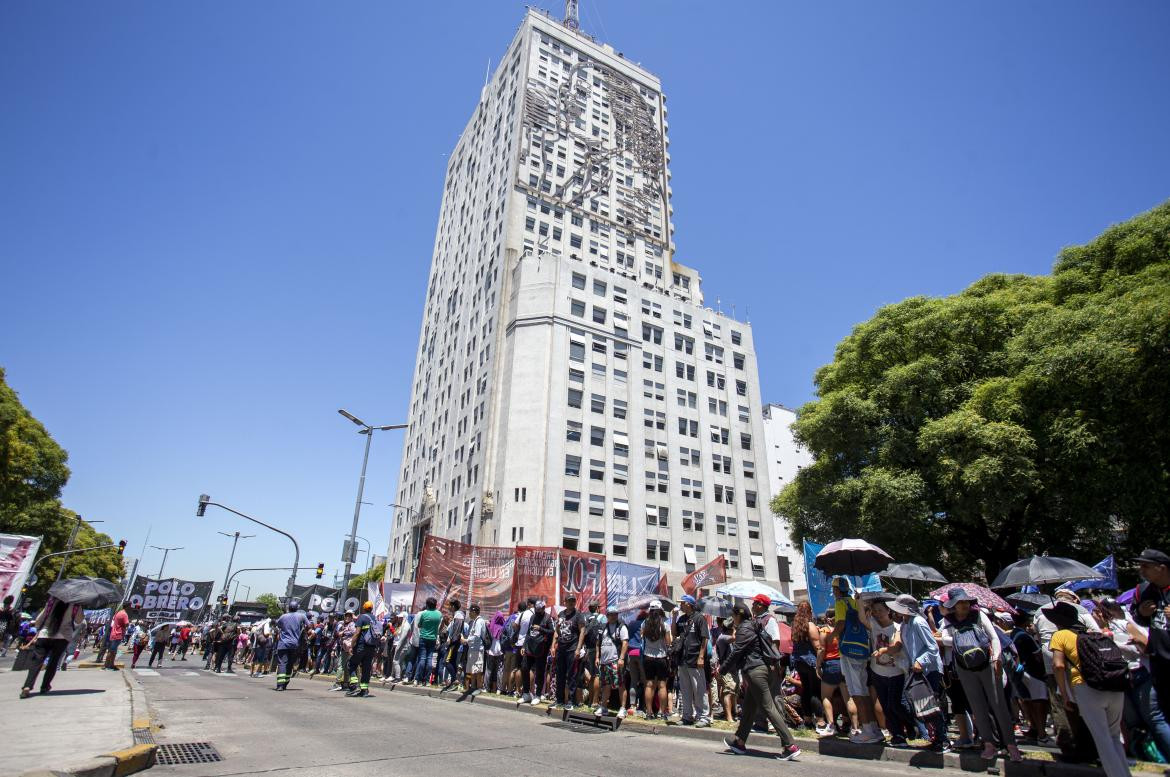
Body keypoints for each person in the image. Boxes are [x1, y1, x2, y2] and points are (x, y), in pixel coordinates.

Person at [1048, 600, 1131, 777]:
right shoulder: (1091, 633)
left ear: (1057, 621)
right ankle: (1124, 774)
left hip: (1087, 687)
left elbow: (1058, 665)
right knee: (1115, 737)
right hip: (1114, 684)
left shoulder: (1060, 635)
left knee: (1102, 739)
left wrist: (1064, 694)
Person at [938, 588, 1022, 762]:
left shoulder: (978, 615)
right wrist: (962, 639)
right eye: (960, 603)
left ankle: (1011, 745)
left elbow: (994, 637)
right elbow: (945, 639)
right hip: (965, 666)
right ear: (953, 605)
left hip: (987, 663)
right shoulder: (949, 620)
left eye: (966, 602)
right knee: (978, 707)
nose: (964, 605)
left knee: (998, 704)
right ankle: (989, 743)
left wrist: (996, 656)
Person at [720, 603, 801, 760]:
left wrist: (722, 669)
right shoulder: (754, 625)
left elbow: (737, 651)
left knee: (768, 707)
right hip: (761, 669)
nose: (732, 620)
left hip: (755, 671)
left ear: (738, 616)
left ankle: (789, 745)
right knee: (749, 708)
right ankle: (739, 741)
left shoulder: (744, 628)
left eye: (733, 616)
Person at [825, 579, 881, 744]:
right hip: (862, 649)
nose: (833, 591)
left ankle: (868, 730)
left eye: (834, 588)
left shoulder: (841, 603)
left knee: (857, 692)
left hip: (849, 650)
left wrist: (830, 636)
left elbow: (841, 624)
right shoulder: (856, 601)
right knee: (862, 690)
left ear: (837, 589)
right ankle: (872, 727)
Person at [861, 597, 913, 747]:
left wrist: (884, 650)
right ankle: (897, 736)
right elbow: (862, 617)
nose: (877, 613)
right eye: (875, 611)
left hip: (896, 672)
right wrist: (860, 600)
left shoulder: (898, 627)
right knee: (886, 705)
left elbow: (897, 647)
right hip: (878, 672)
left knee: (896, 705)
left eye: (880, 610)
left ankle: (913, 724)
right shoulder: (873, 625)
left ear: (888, 610)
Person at [20, 597, 85, 698]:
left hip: (45, 635)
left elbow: (39, 619)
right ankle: (45, 686)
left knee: (36, 662)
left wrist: (39, 629)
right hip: (62, 637)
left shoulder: (51, 602)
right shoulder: (76, 605)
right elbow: (79, 620)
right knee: (53, 662)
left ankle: (27, 686)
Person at [1009, 611, 1052, 744]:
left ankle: (1033, 729)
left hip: (1020, 672)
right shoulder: (1025, 637)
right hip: (1033, 672)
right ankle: (1042, 733)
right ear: (1026, 622)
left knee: (1027, 701)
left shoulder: (1013, 634)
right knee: (1039, 703)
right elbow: (1038, 655)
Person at [669, 594, 710, 726]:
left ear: (688, 604)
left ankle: (703, 716)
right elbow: (674, 633)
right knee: (685, 689)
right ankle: (687, 716)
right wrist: (674, 617)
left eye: (682, 603)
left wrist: (701, 656)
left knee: (699, 688)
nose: (680, 605)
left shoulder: (699, 618)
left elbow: (705, 638)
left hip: (695, 658)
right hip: (682, 658)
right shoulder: (681, 618)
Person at [789, 600, 827, 731]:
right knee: (815, 691)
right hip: (811, 661)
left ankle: (807, 719)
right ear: (809, 611)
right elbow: (817, 645)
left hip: (799, 662)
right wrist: (820, 661)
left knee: (806, 690)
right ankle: (821, 721)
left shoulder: (795, 626)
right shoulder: (810, 625)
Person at [550, 594, 587, 710]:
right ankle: (559, 700)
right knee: (559, 674)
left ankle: (571, 701)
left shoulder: (578, 615)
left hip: (572, 648)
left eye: (573, 601)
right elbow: (557, 631)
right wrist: (552, 646)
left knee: (571, 675)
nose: (571, 603)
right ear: (564, 602)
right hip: (561, 648)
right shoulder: (561, 614)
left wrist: (578, 648)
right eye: (569, 601)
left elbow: (582, 632)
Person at [593, 606, 629, 718]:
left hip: (615, 660)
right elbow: (598, 643)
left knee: (620, 684)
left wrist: (622, 658)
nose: (613, 616)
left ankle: (623, 708)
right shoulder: (603, 627)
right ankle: (604, 707)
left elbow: (625, 643)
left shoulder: (621, 627)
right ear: (607, 615)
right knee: (605, 685)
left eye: (615, 614)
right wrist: (597, 657)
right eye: (611, 614)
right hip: (604, 662)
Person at [640, 600, 672, 719]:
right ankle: (661, 712)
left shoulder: (645, 623)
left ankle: (649, 712)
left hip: (648, 656)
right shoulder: (664, 624)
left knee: (649, 684)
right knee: (662, 685)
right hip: (661, 657)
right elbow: (668, 642)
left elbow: (641, 636)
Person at [520, 600, 553, 704]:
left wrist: (541, 628)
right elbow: (528, 633)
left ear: (544, 608)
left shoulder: (548, 618)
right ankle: (526, 694)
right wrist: (524, 646)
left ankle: (538, 695)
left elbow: (552, 632)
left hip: (541, 649)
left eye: (540, 609)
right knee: (524, 668)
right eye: (536, 609)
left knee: (539, 672)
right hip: (530, 647)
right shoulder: (532, 617)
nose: (538, 611)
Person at [345, 602, 378, 697]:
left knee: (351, 664)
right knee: (366, 669)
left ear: (364, 608)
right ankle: (364, 690)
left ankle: (353, 685)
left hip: (361, 646)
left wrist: (351, 646)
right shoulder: (374, 618)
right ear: (371, 609)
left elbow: (357, 633)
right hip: (371, 647)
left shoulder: (362, 617)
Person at [274, 600, 308, 690]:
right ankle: (285, 683)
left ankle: (280, 685)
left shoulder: (283, 616)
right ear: (297, 608)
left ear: (289, 607)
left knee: (282, 663)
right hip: (294, 644)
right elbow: (309, 626)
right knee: (290, 664)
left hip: (283, 644)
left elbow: (277, 625)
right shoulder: (302, 616)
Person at [410, 597, 442, 685]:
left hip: (423, 638)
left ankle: (417, 679)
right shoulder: (439, 614)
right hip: (433, 638)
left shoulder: (424, 614)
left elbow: (419, 625)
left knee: (422, 659)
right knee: (430, 659)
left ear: (427, 605)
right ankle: (427, 680)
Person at [460, 603, 489, 698]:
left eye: (470, 611)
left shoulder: (479, 621)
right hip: (473, 649)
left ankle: (479, 688)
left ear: (474, 612)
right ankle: (473, 687)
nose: (469, 614)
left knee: (478, 669)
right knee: (472, 669)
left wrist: (466, 640)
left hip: (477, 649)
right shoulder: (475, 621)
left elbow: (477, 635)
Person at [104, 605, 130, 670]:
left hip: (113, 633)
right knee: (112, 650)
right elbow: (127, 624)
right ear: (128, 607)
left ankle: (111, 665)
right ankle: (107, 665)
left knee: (113, 650)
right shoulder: (124, 614)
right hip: (118, 634)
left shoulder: (118, 613)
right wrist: (125, 625)